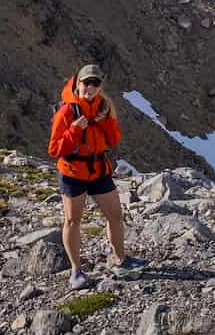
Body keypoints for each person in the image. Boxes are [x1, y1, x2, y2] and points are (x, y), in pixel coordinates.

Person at [47, 63, 143, 289]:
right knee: (72, 220)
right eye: (86, 82)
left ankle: (121, 259)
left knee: (116, 216)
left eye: (95, 83)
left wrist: (106, 120)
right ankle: (76, 271)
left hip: (98, 170)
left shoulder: (103, 107)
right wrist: (74, 130)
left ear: (100, 87)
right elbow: (54, 149)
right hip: (72, 173)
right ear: (78, 83)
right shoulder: (67, 112)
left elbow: (114, 139)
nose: (89, 87)